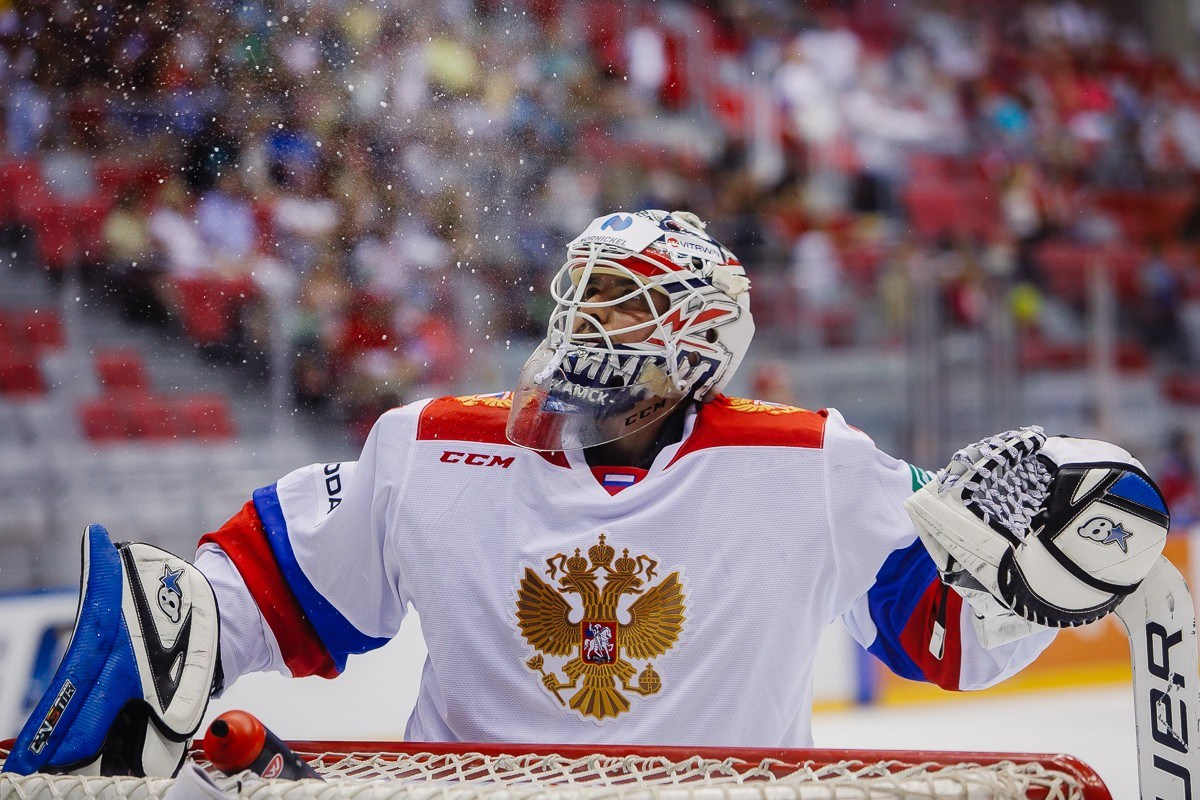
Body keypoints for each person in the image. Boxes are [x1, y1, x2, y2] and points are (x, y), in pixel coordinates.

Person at [3, 210, 1170, 778]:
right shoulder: (433, 444)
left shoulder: (810, 460)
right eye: (582, 301)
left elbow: (951, 634)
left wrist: (1033, 578)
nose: (586, 331)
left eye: (624, 310)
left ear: (698, 351)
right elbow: (266, 590)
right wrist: (184, 624)